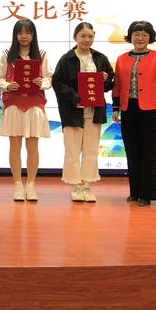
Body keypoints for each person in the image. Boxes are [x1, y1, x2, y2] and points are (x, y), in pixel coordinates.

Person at [52, 22, 115, 203]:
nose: (87, 40)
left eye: (90, 36)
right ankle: (75, 186)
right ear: (75, 37)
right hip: (73, 112)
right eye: (83, 36)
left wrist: (105, 79)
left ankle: (87, 186)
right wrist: (75, 98)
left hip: (95, 111)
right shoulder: (67, 59)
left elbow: (109, 84)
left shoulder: (100, 58)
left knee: (91, 150)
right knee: (72, 151)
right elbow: (58, 83)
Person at [111, 20, 156, 207]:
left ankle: (147, 194)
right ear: (130, 37)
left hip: (152, 110)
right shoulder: (122, 59)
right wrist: (115, 107)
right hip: (128, 109)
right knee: (132, 150)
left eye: (145, 35)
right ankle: (135, 191)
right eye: (136, 34)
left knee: (150, 151)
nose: (140, 38)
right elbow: (118, 85)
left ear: (150, 37)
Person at [0, 19, 52, 202]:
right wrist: (7, 85)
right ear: (15, 35)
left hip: (35, 105)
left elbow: (50, 78)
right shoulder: (7, 55)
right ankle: (18, 185)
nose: (24, 36)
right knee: (15, 147)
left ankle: (31, 185)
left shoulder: (41, 55)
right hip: (13, 105)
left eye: (28, 32)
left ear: (33, 35)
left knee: (33, 147)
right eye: (20, 32)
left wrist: (41, 83)